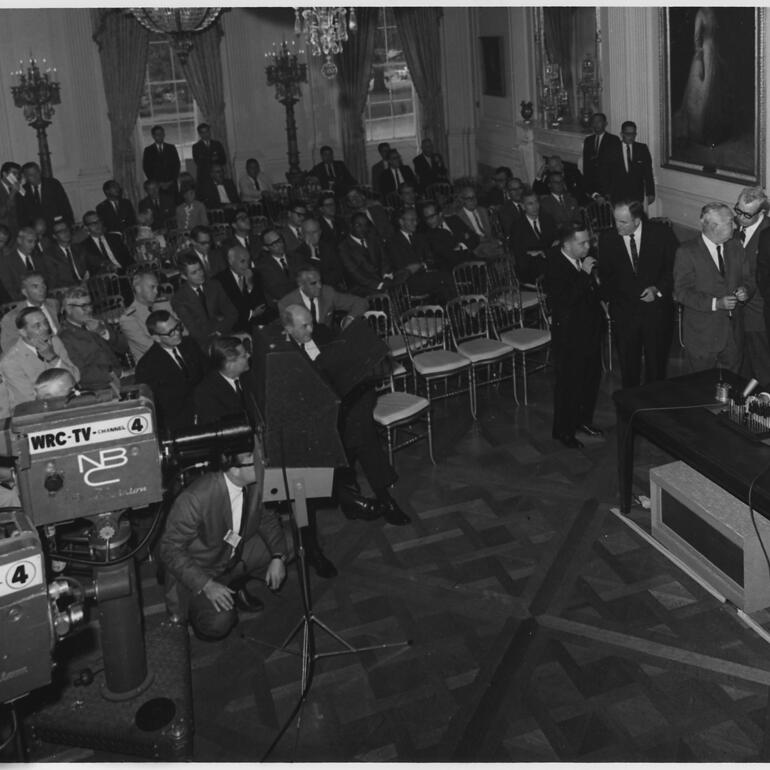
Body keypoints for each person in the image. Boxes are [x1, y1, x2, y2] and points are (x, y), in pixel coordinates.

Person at [281, 304, 410, 525]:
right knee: (360, 436)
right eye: (304, 326)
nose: (311, 329)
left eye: (311, 322)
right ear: (288, 329)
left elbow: (349, 360)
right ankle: (382, 497)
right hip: (320, 413)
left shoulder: (322, 332)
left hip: (347, 399)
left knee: (359, 428)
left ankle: (358, 498)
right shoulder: (286, 353)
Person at [160, 449, 290, 640]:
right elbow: (169, 549)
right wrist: (206, 584)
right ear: (235, 469)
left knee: (291, 543)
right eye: (255, 461)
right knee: (217, 622)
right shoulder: (195, 498)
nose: (264, 464)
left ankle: (236, 584)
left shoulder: (255, 483)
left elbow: (267, 519)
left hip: (231, 555)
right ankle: (199, 612)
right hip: (201, 570)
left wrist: (278, 556)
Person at [597, 200, 679, 387]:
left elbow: (674, 269)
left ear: (637, 220)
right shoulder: (607, 238)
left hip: (657, 312)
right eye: (615, 220)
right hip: (625, 313)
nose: (617, 226)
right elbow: (606, 277)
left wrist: (657, 290)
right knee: (629, 370)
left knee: (656, 369)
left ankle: (654, 408)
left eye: (623, 222)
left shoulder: (662, 234)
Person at [673, 202, 753, 374]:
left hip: (733, 335)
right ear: (714, 226)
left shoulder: (736, 246)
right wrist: (716, 303)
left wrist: (745, 290)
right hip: (702, 336)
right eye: (730, 222)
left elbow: (748, 279)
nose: (735, 226)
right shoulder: (687, 252)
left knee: (732, 386)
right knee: (701, 389)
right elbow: (682, 292)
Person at [544, 222, 603, 449]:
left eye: (588, 241)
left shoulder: (583, 259)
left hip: (590, 331)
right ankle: (564, 431)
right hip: (569, 336)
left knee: (590, 379)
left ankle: (583, 421)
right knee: (569, 384)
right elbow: (565, 299)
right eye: (582, 243)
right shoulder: (554, 264)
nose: (588, 246)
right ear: (567, 244)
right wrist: (585, 274)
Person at [134, 309, 207, 432]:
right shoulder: (147, 366)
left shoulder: (190, 344)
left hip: (206, 409)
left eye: (177, 327)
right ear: (156, 338)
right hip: (179, 425)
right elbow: (157, 408)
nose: (177, 333)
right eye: (170, 333)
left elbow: (208, 374)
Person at [0, 307, 79, 409]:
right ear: (23, 332)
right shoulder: (10, 362)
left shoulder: (55, 342)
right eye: (37, 326)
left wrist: (53, 358)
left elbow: (75, 378)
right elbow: (30, 402)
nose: (45, 328)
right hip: (36, 413)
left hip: (68, 403)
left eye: (46, 322)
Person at [672, 7, 730, 148]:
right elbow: (697, 38)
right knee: (702, 91)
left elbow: (716, 35)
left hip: (713, 52)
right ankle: (699, 132)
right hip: (704, 54)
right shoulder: (700, 13)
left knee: (713, 93)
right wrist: (700, 61)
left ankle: (712, 132)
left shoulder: (712, 12)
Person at [58, 286, 128, 391]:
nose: (89, 309)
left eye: (90, 305)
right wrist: (120, 373)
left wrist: (103, 332)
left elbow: (125, 347)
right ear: (69, 309)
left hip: (120, 379)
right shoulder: (64, 338)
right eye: (84, 306)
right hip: (97, 389)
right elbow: (82, 374)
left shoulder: (98, 323)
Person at [733, 188, 770, 385]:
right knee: (743, 370)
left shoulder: (768, 233)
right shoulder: (734, 227)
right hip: (737, 313)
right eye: (738, 211)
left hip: (759, 315)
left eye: (747, 215)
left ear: (762, 213)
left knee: (763, 368)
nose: (740, 218)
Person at [387, 208, 456, 303]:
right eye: (412, 220)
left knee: (444, 283)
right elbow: (403, 267)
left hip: (426, 275)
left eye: (416, 220)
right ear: (401, 222)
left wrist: (421, 265)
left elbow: (431, 259)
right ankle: (461, 310)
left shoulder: (420, 237)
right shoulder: (392, 242)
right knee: (444, 279)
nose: (415, 223)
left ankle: (454, 311)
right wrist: (421, 265)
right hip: (408, 282)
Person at [171, 253, 238, 350]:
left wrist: (220, 331)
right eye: (194, 272)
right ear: (184, 276)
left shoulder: (214, 285)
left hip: (225, 334)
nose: (200, 274)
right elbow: (195, 331)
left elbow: (232, 313)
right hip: (203, 345)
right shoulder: (179, 299)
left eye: (200, 269)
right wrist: (218, 326)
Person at [278, 265, 367, 330]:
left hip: (328, 340)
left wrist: (350, 318)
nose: (319, 286)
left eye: (320, 281)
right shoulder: (286, 304)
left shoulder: (328, 292)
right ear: (301, 285)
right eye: (313, 283)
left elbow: (360, 302)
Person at [193, 336, 251, 427]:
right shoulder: (206, 394)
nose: (249, 355)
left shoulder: (249, 376)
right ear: (229, 365)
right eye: (244, 356)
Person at [339, 213, 401, 296]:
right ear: (351, 226)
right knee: (385, 293)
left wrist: (386, 276)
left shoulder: (374, 239)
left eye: (365, 225)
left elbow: (384, 260)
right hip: (361, 286)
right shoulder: (344, 247)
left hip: (382, 280)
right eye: (358, 225)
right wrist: (378, 285)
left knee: (403, 280)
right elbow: (355, 272)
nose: (363, 229)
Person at [119, 269, 172, 362]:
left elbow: (183, 331)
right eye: (152, 287)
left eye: (157, 287)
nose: (156, 291)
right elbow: (150, 347)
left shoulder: (164, 305)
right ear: (138, 288)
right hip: (155, 364)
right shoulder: (128, 318)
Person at [0, 271, 60, 351]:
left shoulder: (54, 304)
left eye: (43, 284)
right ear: (25, 292)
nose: (42, 289)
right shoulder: (11, 318)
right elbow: (9, 348)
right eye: (35, 286)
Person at [214, 244, 269, 332]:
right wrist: (251, 314)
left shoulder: (255, 274)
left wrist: (250, 285)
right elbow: (228, 311)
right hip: (235, 329)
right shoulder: (219, 281)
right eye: (242, 261)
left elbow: (261, 305)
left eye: (249, 261)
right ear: (230, 262)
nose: (247, 265)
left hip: (258, 325)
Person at [510, 191, 558, 282]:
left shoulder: (548, 219)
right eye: (530, 204)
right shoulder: (517, 226)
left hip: (550, 259)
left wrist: (543, 252)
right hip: (530, 265)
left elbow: (555, 241)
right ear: (523, 206)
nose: (535, 206)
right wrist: (533, 253)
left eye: (536, 202)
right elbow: (518, 253)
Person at [290, 217, 347, 291]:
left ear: (320, 232)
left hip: (334, 290)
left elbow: (338, 272)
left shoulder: (329, 247)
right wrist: (313, 256)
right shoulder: (297, 254)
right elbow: (311, 280)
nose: (311, 236)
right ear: (302, 234)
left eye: (314, 232)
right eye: (307, 232)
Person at [420, 201, 478, 271]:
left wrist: (461, 246)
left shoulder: (454, 220)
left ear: (440, 214)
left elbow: (475, 238)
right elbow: (448, 256)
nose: (429, 221)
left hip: (472, 261)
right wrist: (464, 239)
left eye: (431, 217)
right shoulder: (429, 235)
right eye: (426, 218)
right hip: (454, 269)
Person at [450, 186, 505, 260]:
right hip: (476, 245)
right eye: (469, 198)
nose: (473, 200)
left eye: (474, 197)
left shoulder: (483, 210)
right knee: (490, 250)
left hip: (490, 241)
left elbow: (492, 230)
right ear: (463, 200)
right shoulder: (459, 217)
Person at [608, 121, 655, 205]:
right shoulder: (612, 149)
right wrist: (607, 193)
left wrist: (651, 193)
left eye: (633, 134)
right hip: (617, 195)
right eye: (628, 134)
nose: (631, 137)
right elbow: (606, 173)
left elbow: (648, 172)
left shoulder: (642, 148)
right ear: (622, 134)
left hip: (636, 195)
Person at [16, 162, 74, 229]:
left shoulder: (53, 184)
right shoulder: (23, 190)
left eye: (37, 173)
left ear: (40, 171)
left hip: (56, 225)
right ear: (24, 176)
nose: (35, 177)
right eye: (31, 175)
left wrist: (70, 224)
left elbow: (65, 205)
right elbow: (21, 215)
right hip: (36, 229)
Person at [0, 226, 50, 301]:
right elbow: (9, 289)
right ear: (19, 240)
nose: (33, 245)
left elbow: (46, 280)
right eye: (30, 241)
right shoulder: (7, 261)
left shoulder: (39, 258)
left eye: (35, 242)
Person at [257, 229, 302, 309]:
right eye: (274, 244)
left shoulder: (296, 257)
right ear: (266, 248)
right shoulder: (263, 266)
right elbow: (279, 292)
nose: (279, 245)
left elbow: (305, 280)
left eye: (279, 240)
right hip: (284, 307)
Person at [581, 113, 621, 200]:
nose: (596, 124)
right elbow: (586, 167)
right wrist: (589, 190)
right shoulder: (588, 140)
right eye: (594, 122)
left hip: (609, 189)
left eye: (599, 121)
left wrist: (610, 192)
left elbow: (616, 168)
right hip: (593, 189)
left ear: (605, 124)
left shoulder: (613, 140)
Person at [142, 125, 181, 199]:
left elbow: (177, 165)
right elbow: (147, 168)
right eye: (157, 134)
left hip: (171, 183)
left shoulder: (171, 148)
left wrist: (171, 181)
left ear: (164, 134)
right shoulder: (148, 150)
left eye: (161, 134)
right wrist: (158, 183)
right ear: (153, 136)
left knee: (174, 203)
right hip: (157, 186)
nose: (159, 136)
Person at [0, 161, 22, 235]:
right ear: (4, 174)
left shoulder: (17, 188)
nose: (17, 176)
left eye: (18, 174)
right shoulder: (14, 190)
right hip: (3, 232)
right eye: (14, 173)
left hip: (17, 230)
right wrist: (12, 193)